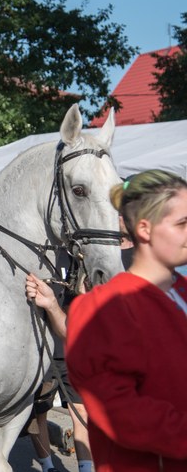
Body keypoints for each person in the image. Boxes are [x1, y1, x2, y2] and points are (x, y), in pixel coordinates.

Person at [66, 169, 187, 471]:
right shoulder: (101, 308)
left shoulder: (182, 292)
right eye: (183, 223)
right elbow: (120, 412)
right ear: (145, 229)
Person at [25, 274, 93, 472]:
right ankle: (48, 467)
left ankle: (85, 468)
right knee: (39, 414)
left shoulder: (73, 260)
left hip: (69, 350)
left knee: (81, 410)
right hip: (40, 351)